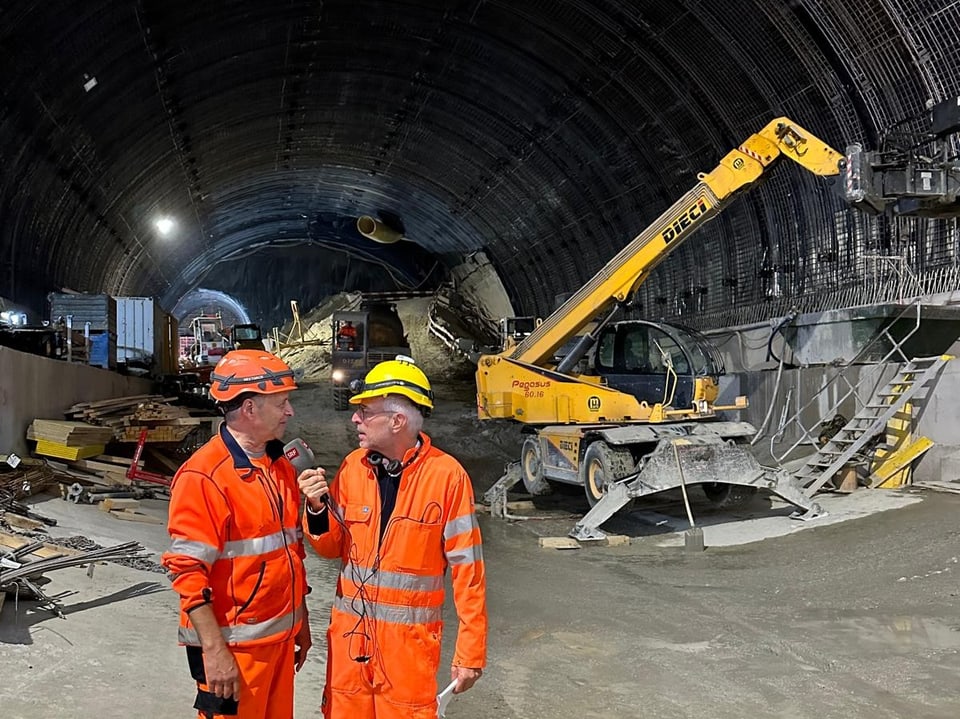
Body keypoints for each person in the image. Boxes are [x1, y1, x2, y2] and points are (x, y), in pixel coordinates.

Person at [298, 356, 487, 719]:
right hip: (349, 647)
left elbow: (469, 573)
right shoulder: (353, 468)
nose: (355, 419)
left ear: (398, 421)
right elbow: (330, 547)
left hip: (408, 656)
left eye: (365, 411)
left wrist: (470, 652)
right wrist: (317, 509)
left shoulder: (447, 478)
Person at [162, 349, 312, 719]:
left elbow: (290, 551)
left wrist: (301, 618)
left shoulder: (278, 467)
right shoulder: (205, 477)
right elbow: (187, 573)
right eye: (282, 403)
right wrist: (215, 653)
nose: (289, 412)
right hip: (233, 652)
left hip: (277, 643)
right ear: (249, 409)